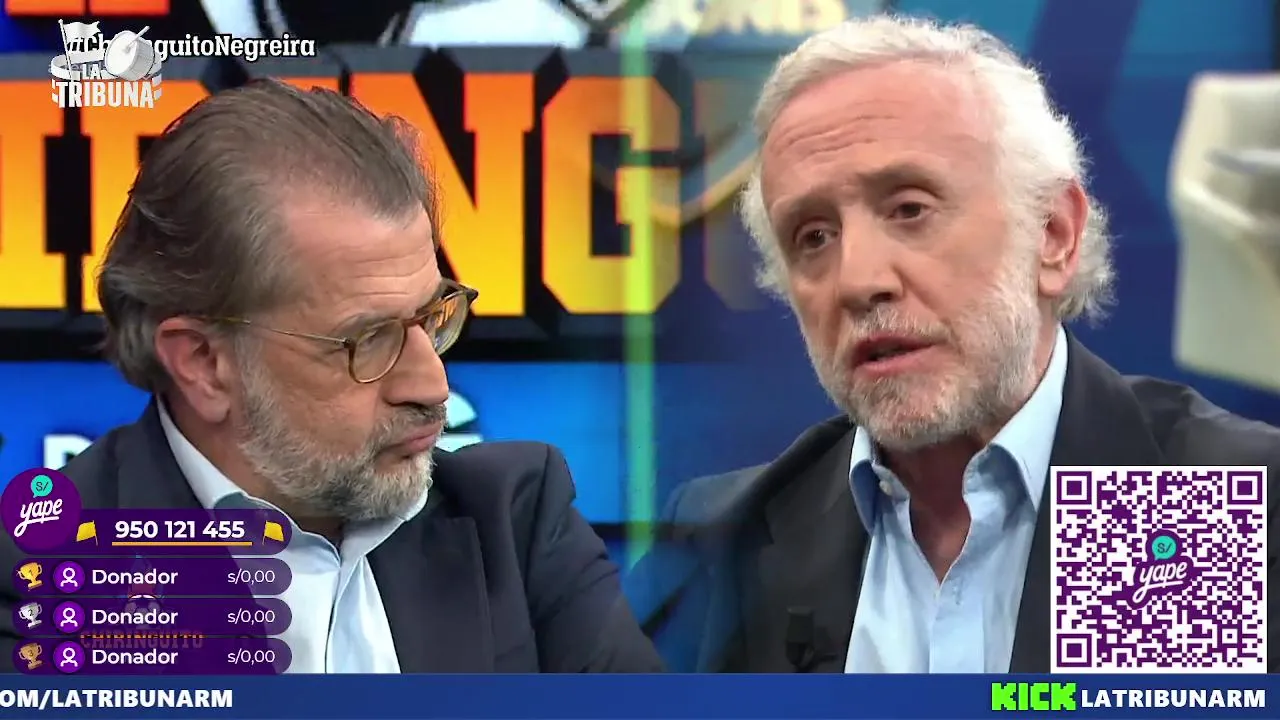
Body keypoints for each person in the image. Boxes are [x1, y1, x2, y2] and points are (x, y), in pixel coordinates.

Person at [628, 15, 1280, 673]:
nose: (859, 281)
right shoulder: (723, 544)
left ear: (1052, 235)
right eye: (814, 237)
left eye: (909, 209)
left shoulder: (1219, 500)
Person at [0, 79, 662, 673]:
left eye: (432, 316)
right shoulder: (36, 576)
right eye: (368, 340)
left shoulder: (515, 522)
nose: (432, 386)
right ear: (204, 363)